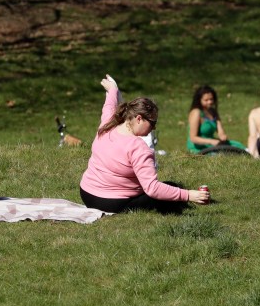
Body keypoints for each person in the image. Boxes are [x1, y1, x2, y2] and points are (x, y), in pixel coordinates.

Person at [80, 75, 210, 213]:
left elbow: (109, 105)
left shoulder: (107, 125)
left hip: (86, 194)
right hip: (110, 203)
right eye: (152, 123)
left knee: (168, 189)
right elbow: (152, 188)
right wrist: (189, 195)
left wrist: (113, 89)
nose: (154, 128)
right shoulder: (138, 147)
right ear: (139, 118)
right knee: (170, 188)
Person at [186, 85, 248, 154]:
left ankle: (251, 154)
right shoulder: (196, 113)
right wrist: (211, 141)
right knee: (222, 153)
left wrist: (222, 136)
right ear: (199, 100)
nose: (209, 102)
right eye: (206, 100)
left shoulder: (213, 111)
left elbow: (220, 131)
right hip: (199, 148)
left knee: (237, 145)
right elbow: (193, 138)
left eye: (211, 99)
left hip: (211, 143)